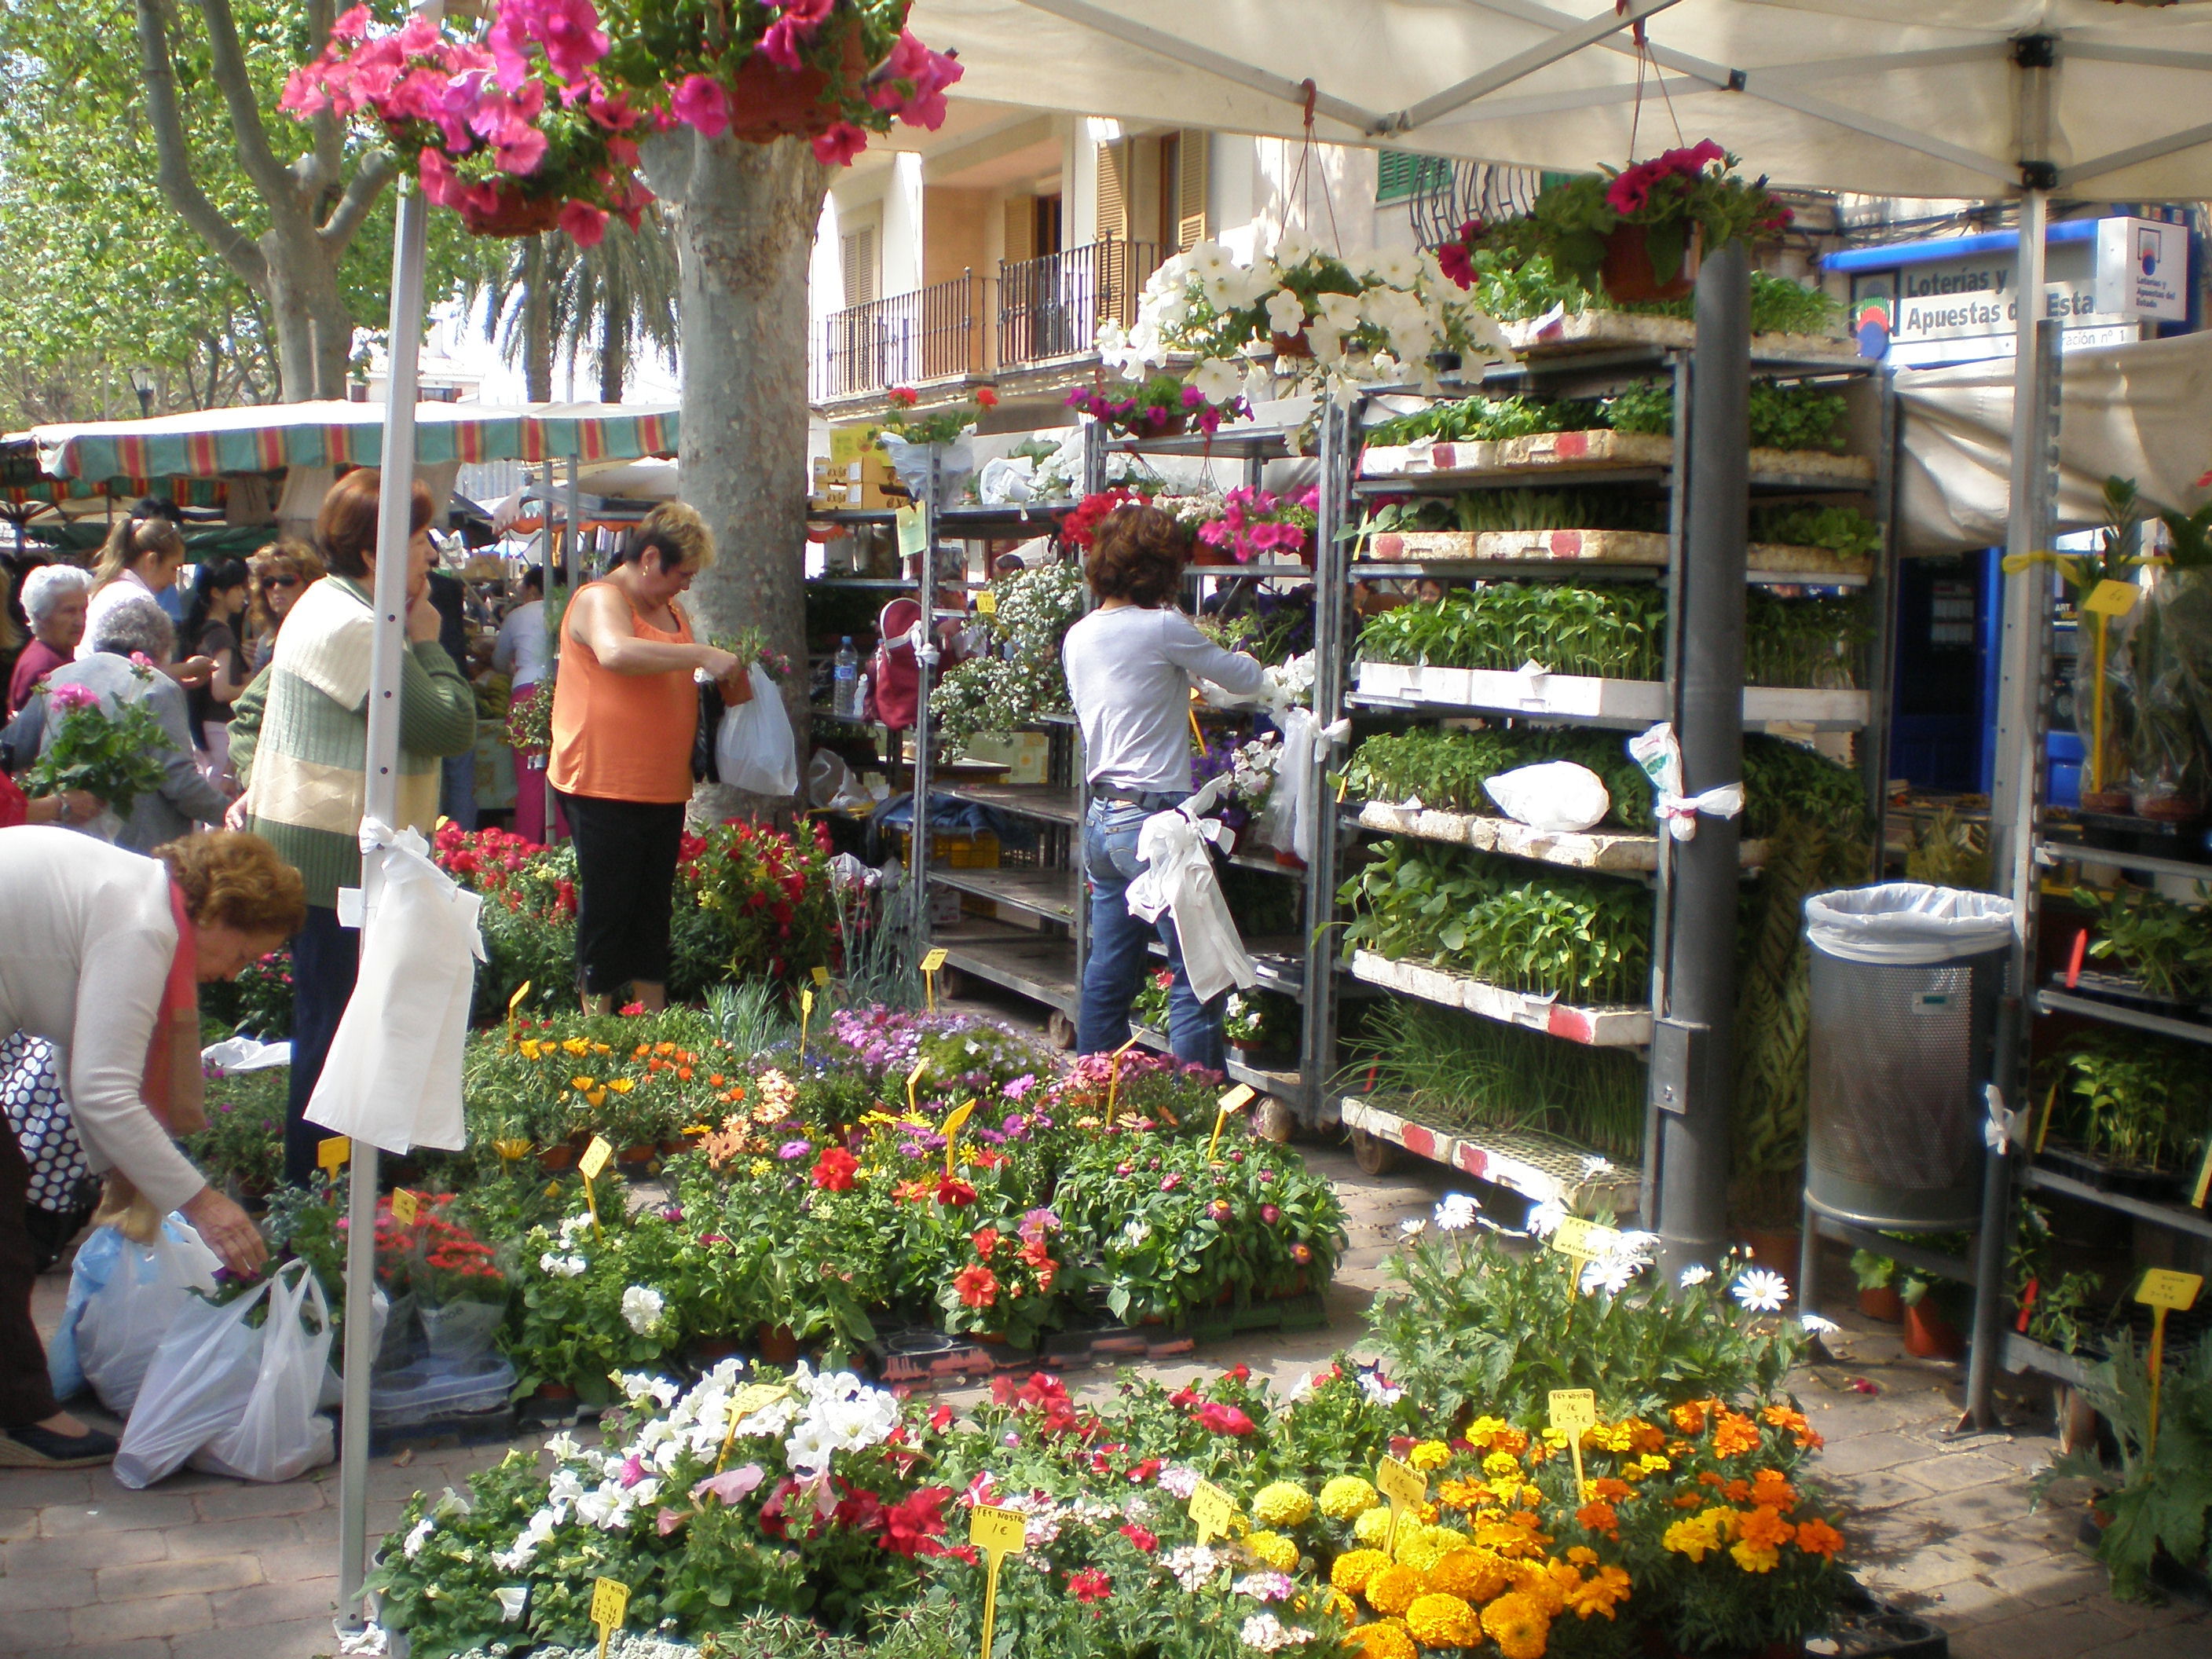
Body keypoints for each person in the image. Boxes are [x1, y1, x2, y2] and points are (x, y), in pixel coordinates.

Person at [0, 827, 299, 1466]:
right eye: (242, 955)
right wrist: (204, 1204)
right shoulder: (144, 926)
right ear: (218, 915)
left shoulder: (139, 896)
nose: (228, 975)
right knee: (2, 1222)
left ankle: (18, 1406)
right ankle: (18, 1415)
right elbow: (104, 1088)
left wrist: (120, 1175)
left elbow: (80, 1055)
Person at [226, 470, 476, 1186]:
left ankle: (346, 1188)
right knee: (340, 1033)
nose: (431, 552)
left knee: (341, 1025)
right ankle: (328, 1195)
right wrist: (431, 641)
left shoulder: (332, 607)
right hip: (343, 864)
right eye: (420, 536)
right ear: (376, 552)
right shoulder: (354, 623)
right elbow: (448, 725)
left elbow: (256, 709)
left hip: (343, 857)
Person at [1065, 504, 1268, 1071]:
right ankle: (1196, 1109)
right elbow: (1243, 679)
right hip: (1154, 825)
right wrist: (1251, 663)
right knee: (1196, 973)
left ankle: (1092, 1090)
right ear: (1159, 569)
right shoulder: (1160, 627)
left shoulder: (1079, 637)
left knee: (1109, 968)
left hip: (1105, 821)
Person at [549, 502, 744, 1015]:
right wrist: (702, 654)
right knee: (610, 909)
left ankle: (655, 1024)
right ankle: (598, 1028)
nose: (685, 587)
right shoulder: (600, 599)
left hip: (661, 784)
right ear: (651, 558)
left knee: (651, 911)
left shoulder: (673, 611)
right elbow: (616, 652)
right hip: (602, 782)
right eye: (681, 574)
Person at [29, 596, 227, 852]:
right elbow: (180, 783)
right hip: (138, 853)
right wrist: (230, 813)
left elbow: (16, 748)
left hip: (66, 845)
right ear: (160, 647)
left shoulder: (58, 677)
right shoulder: (157, 687)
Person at [82, 501, 213, 687]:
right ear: (151, 561)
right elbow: (134, 675)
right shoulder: (134, 600)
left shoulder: (110, 589)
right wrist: (188, 668)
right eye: (173, 568)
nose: (173, 579)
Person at [493, 566, 559, 840]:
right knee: (564, 775)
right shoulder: (572, 609)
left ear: (532, 589)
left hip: (526, 694)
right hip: (566, 691)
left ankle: (528, 846)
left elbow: (498, 660)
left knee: (530, 776)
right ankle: (564, 844)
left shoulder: (518, 616)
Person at [182, 557, 251, 786]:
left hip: (206, 727)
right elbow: (221, 690)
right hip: (221, 728)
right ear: (217, 593)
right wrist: (256, 687)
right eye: (238, 587)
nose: (244, 593)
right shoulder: (221, 634)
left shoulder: (202, 630)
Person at [427, 564, 479, 830]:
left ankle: (433, 844)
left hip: (426, 684)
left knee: (430, 778)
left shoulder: (403, 587)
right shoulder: (450, 588)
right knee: (460, 778)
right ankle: (464, 841)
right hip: (456, 679)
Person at [8, 564, 92, 720]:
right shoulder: (44, 667)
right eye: (69, 611)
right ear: (41, 615)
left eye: (83, 609)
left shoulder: (55, 654)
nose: (80, 620)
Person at [244, 540, 327, 674]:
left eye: (287, 580)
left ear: (309, 582)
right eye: (268, 582)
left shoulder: (325, 633)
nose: (277, 588)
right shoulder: (265, 643)